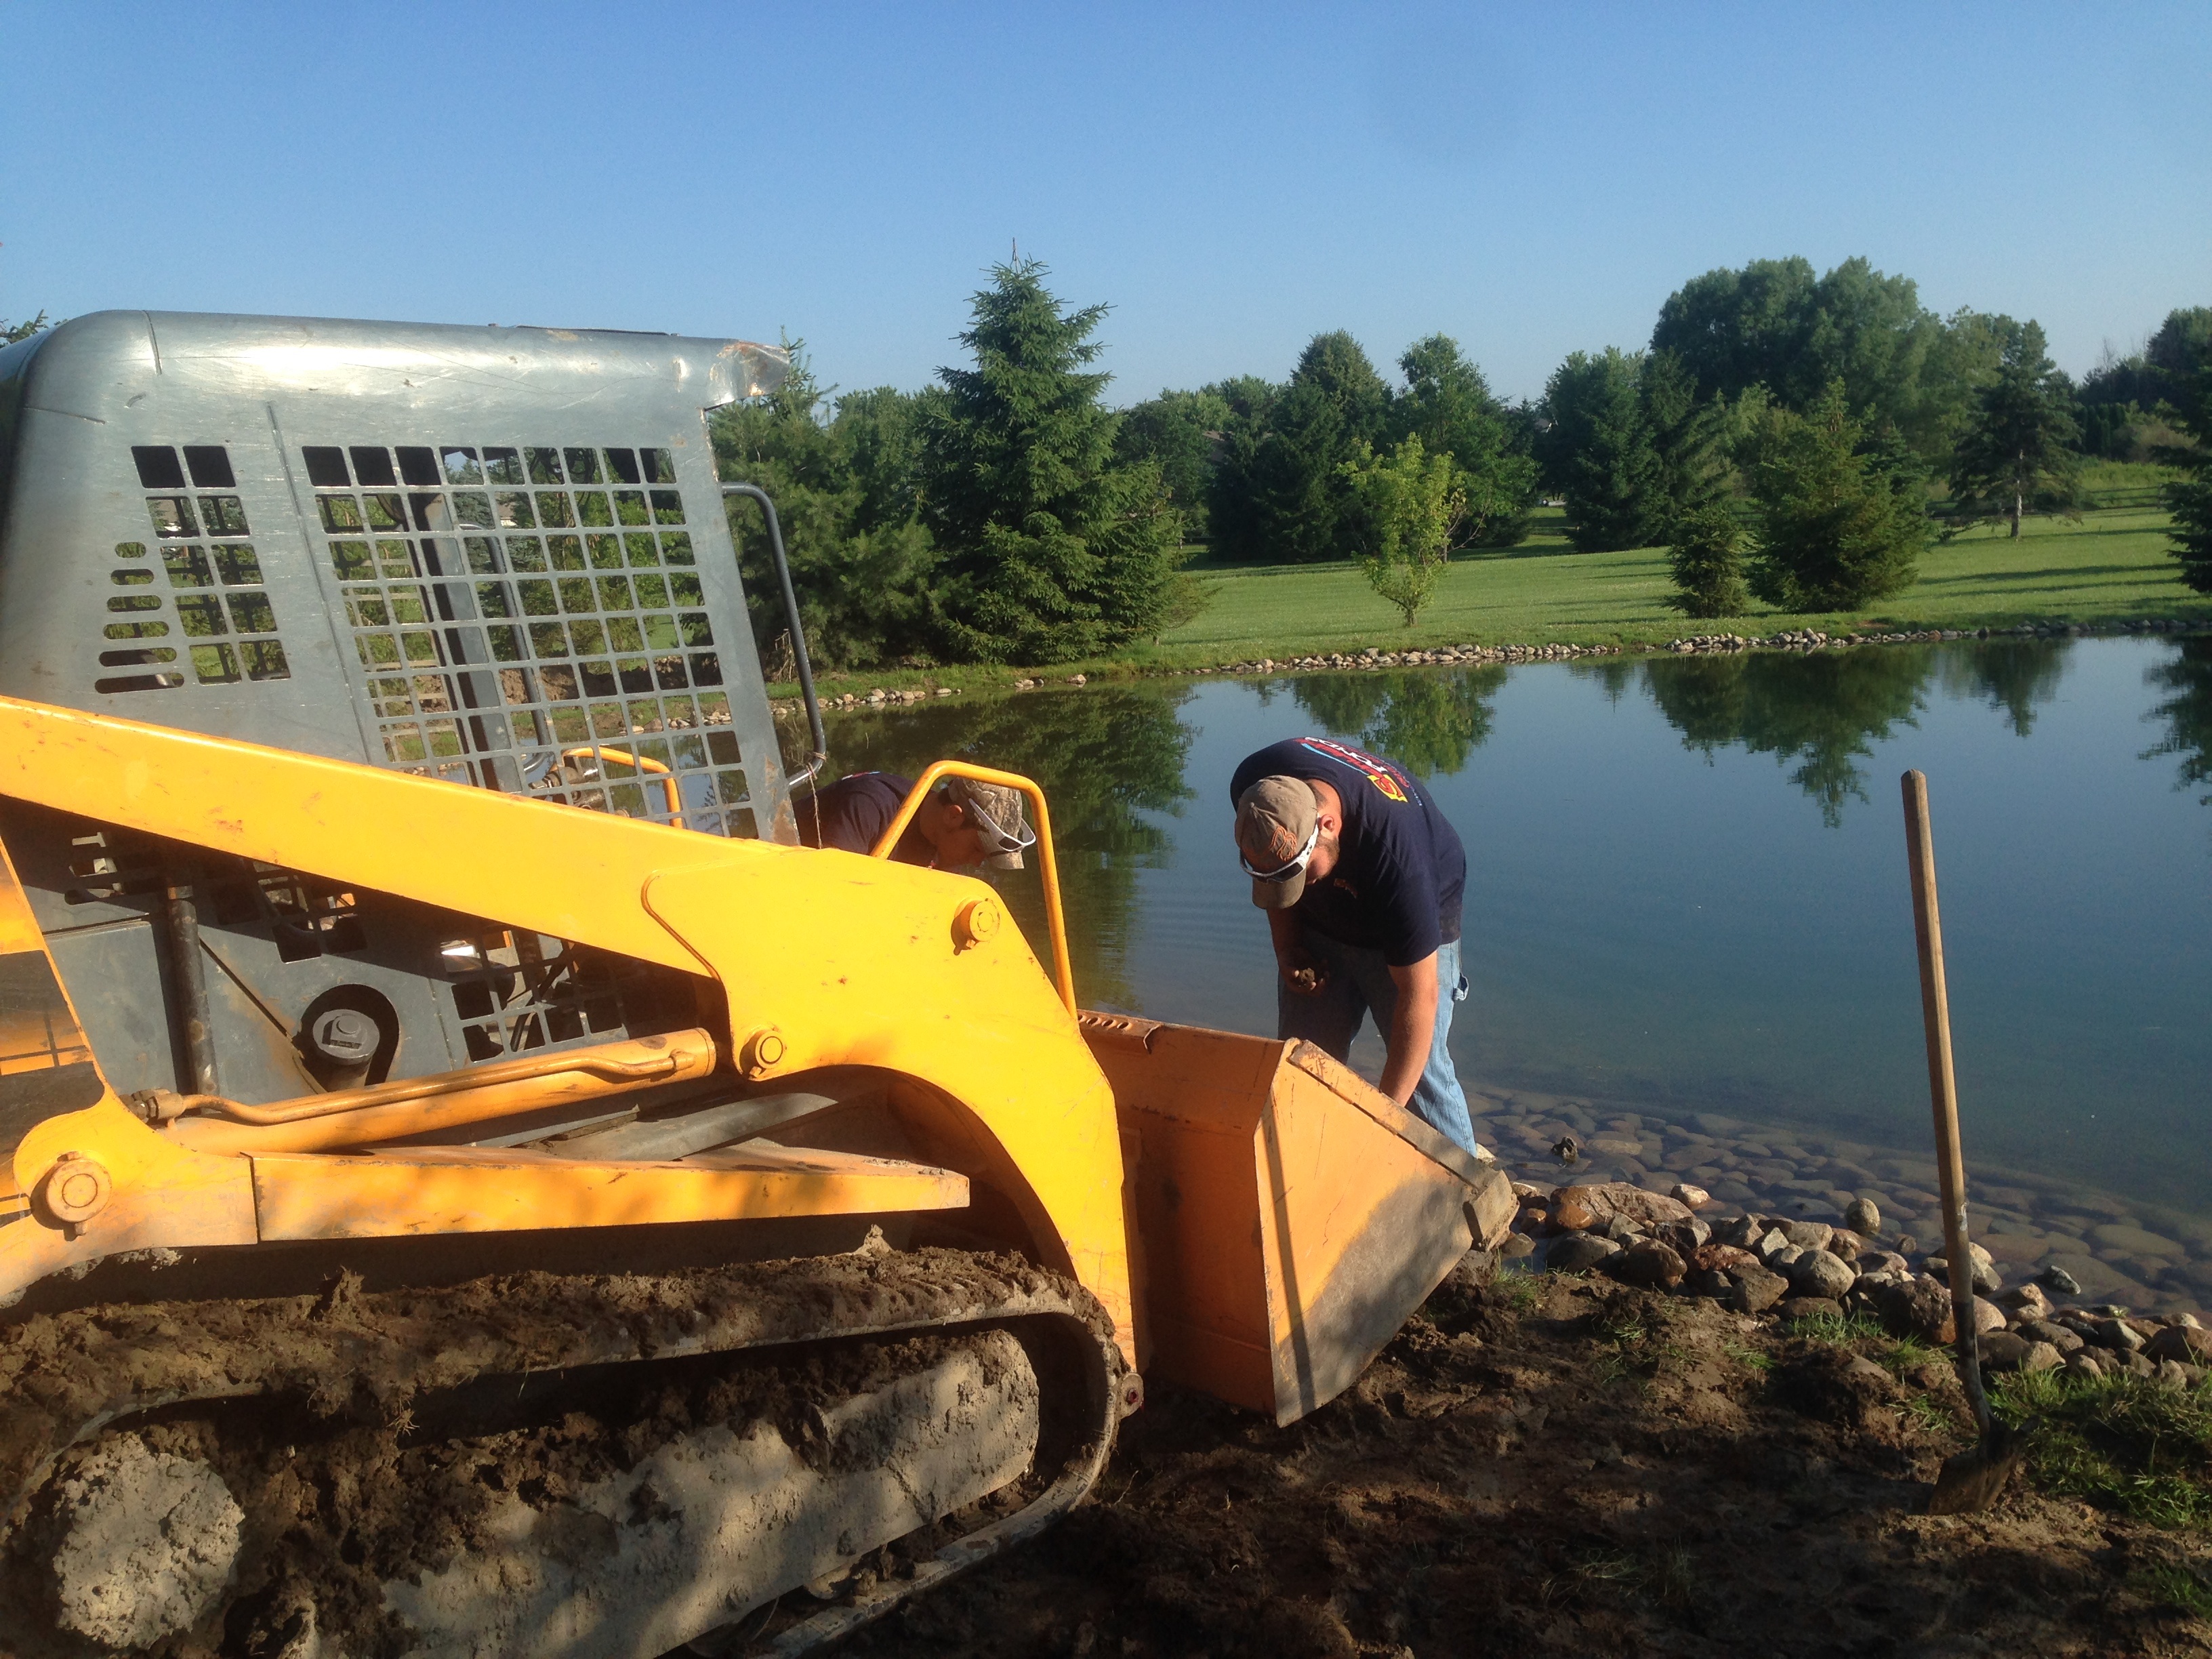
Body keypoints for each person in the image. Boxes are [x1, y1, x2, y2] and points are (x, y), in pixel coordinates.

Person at [1229, 736, 1479, 1155]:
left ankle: (1468, 1199)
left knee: (1422, 1080)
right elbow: (1274, 876)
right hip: (1327, 916)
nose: (1295, 888)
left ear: (1327, 825)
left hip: (1406, 920)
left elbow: (1420, 997)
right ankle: (1305, 1174)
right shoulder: (1258, 793)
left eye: (1300, 876)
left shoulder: (1398, 857)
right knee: (1304, 1062)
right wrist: (1288, 949)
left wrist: (1379, 1120)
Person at [796, 771, 1034, 870]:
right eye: (977, 849)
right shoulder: (871, 805)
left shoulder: (937, 838)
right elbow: (829, 891)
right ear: (953, 816)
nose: (976, 863)